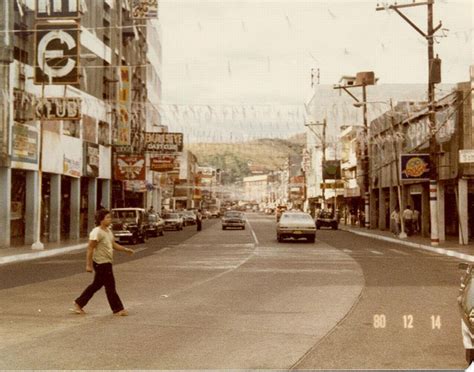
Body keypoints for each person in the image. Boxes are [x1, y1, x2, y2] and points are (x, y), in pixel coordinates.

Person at [73, 209, 134, 316]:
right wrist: (88, 265)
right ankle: (118, 309)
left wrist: (125, 250)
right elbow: (90, 248)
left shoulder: (108, 231)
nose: (110, 219)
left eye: (110, 217)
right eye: (108, 217)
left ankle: (79, 303)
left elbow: (113, 244)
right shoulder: (97, 232)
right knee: (110, 286)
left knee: (96, 285)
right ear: (101, 220)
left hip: (107, 261)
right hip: (101, 263)